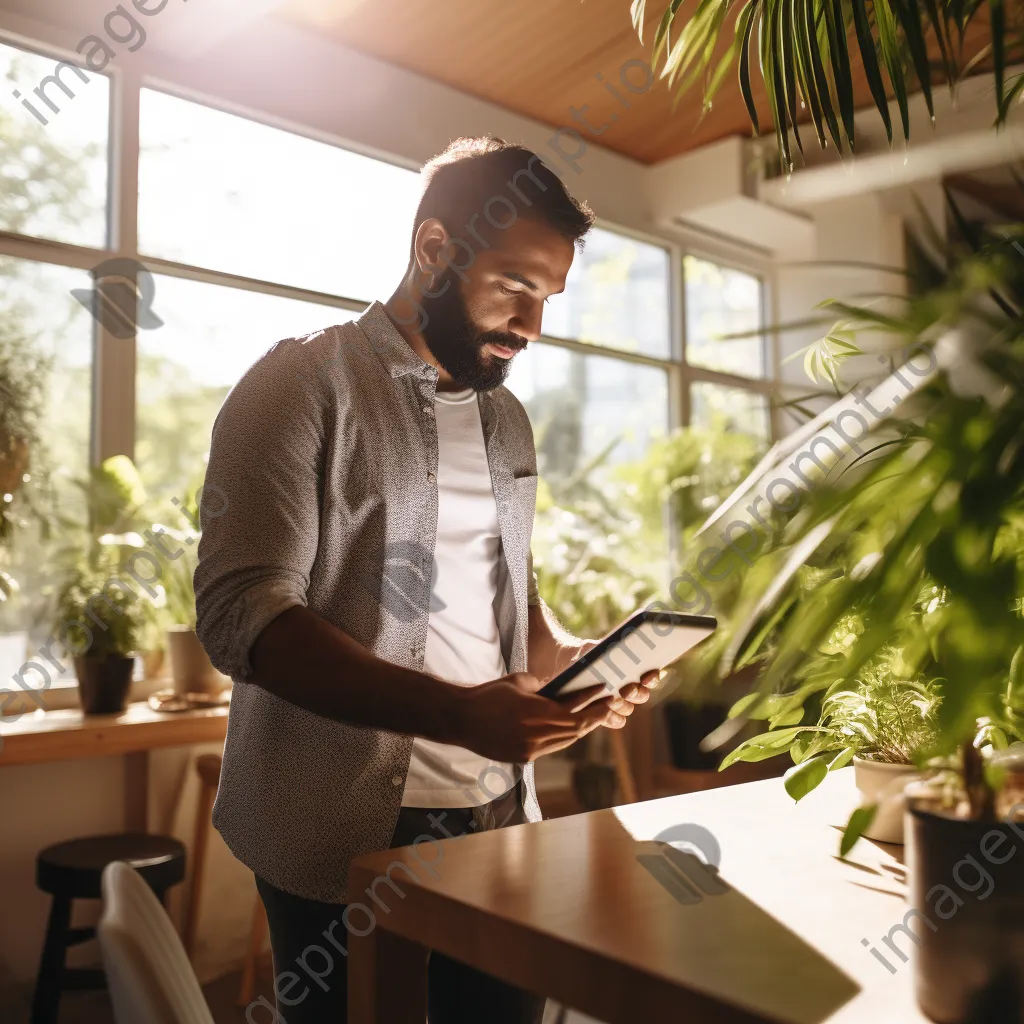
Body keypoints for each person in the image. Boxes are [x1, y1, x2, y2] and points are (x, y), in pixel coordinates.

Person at [194, 136, 658, 1024]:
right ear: (435, 248)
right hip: (333, 829)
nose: (532, 323)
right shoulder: (297, 384)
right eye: (517, 284)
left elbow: (501, 586)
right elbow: (240, 616)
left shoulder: (507, 419)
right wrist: (456, 712)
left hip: (497, 823)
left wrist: (570, 661)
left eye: (549, 297)